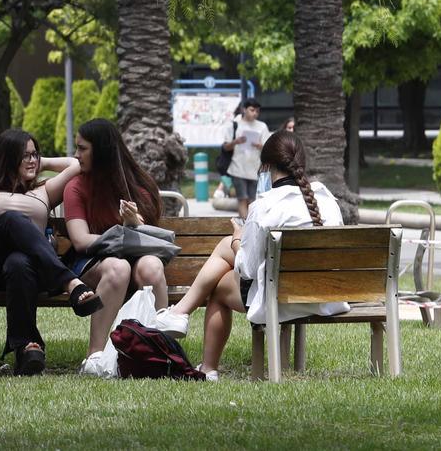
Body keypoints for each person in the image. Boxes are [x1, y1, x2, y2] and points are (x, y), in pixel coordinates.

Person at [152, 130, 347, 380]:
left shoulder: (264, 206)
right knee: (226, 257)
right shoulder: (327, 200)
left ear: (266, 166)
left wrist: (237, 239)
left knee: (220, 285)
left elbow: (248, 268)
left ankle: (200, 353)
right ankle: (180, 315)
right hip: (326, 297)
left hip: (281, 298)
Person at [0, 129, 103, 376]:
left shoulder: (44, 191)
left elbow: (75, 163)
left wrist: (41, 162)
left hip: (26, 271)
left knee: (18, 261)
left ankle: (26, 349)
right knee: (12, 221)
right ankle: (70, 282)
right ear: (7, 158)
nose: (32, 160)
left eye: (35, 155)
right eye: (25, 156)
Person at [62, 118, 167, 371]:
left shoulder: (139, 187)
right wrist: (121, 234)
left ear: (102, 150)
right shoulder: (76, 186)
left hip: (139, 258)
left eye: (83, 148)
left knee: (152, 267)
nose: (77, 155)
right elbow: (80, 240)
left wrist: (133, 223)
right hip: (94, 262)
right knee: (118, 267)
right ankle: (95, 355)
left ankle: (164, 350)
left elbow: (150, 241)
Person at [223, 98, 270, 218]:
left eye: (257, 111)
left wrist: (259, 145)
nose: (254, 113)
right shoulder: (234, 125)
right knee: (242, 198)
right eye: (252, 110)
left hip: (254, 168)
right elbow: (226, 147)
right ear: (244, 110)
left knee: (252, 200)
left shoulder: (262, 126)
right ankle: (244, 226)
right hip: (237, 167)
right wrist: (236, 142)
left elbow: (268, 147)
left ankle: (251, 225)